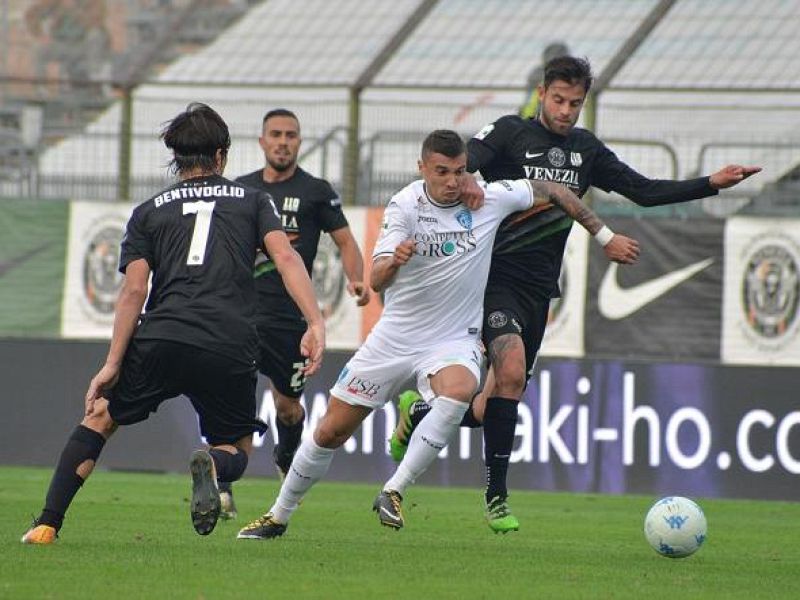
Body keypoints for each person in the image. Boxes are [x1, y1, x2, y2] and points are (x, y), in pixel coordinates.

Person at [390, 55, 761, 533]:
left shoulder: (587, 151)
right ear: (542, 94)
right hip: (490, 278)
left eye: (576, 103)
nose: (566, 111)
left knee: (495, 400)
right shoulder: (507, 132)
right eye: (559, 100)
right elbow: (462, 163)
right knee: (511, 368)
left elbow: (643, 191)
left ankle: (418, 412)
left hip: (540, 289)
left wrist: (711, 183)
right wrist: (466, 184)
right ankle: (496, 498)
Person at [235, 129, 639, 539]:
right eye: (441, 172)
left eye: (459, 171)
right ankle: (278, 516)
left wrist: (603, 236)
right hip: (395, 338)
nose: (451, 181)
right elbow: (376, 279)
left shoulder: (490, 196)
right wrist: (396, 260)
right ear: (422, 168)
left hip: (452, 337)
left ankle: (394, 490)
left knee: (461, 388)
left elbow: (554, 189)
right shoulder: (405, 205)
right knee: (330, 431)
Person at [20, 102, 325, 544]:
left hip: (163, 333)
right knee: (236, 446)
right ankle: (213, 466)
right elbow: (285, 256)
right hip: (229, 340)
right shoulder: (253, 200)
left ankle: (47, 523)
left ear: (176, 158)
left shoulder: (148, 212)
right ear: (221, 156)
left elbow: (133, 292)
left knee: (101, 416)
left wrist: (111, 363)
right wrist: (313, 322)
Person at [213, 109, 369, 519]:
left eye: (291, 135)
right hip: (242, 316)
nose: (283, 142)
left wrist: (357, 279)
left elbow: (346, 242)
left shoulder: (316, 191)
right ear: (262, 142)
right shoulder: (240, 190)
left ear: (299, 142)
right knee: (231, 399)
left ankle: (285, 461)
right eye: (276, 135)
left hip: (289, 321)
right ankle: (222, 488)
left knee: (288, 408)